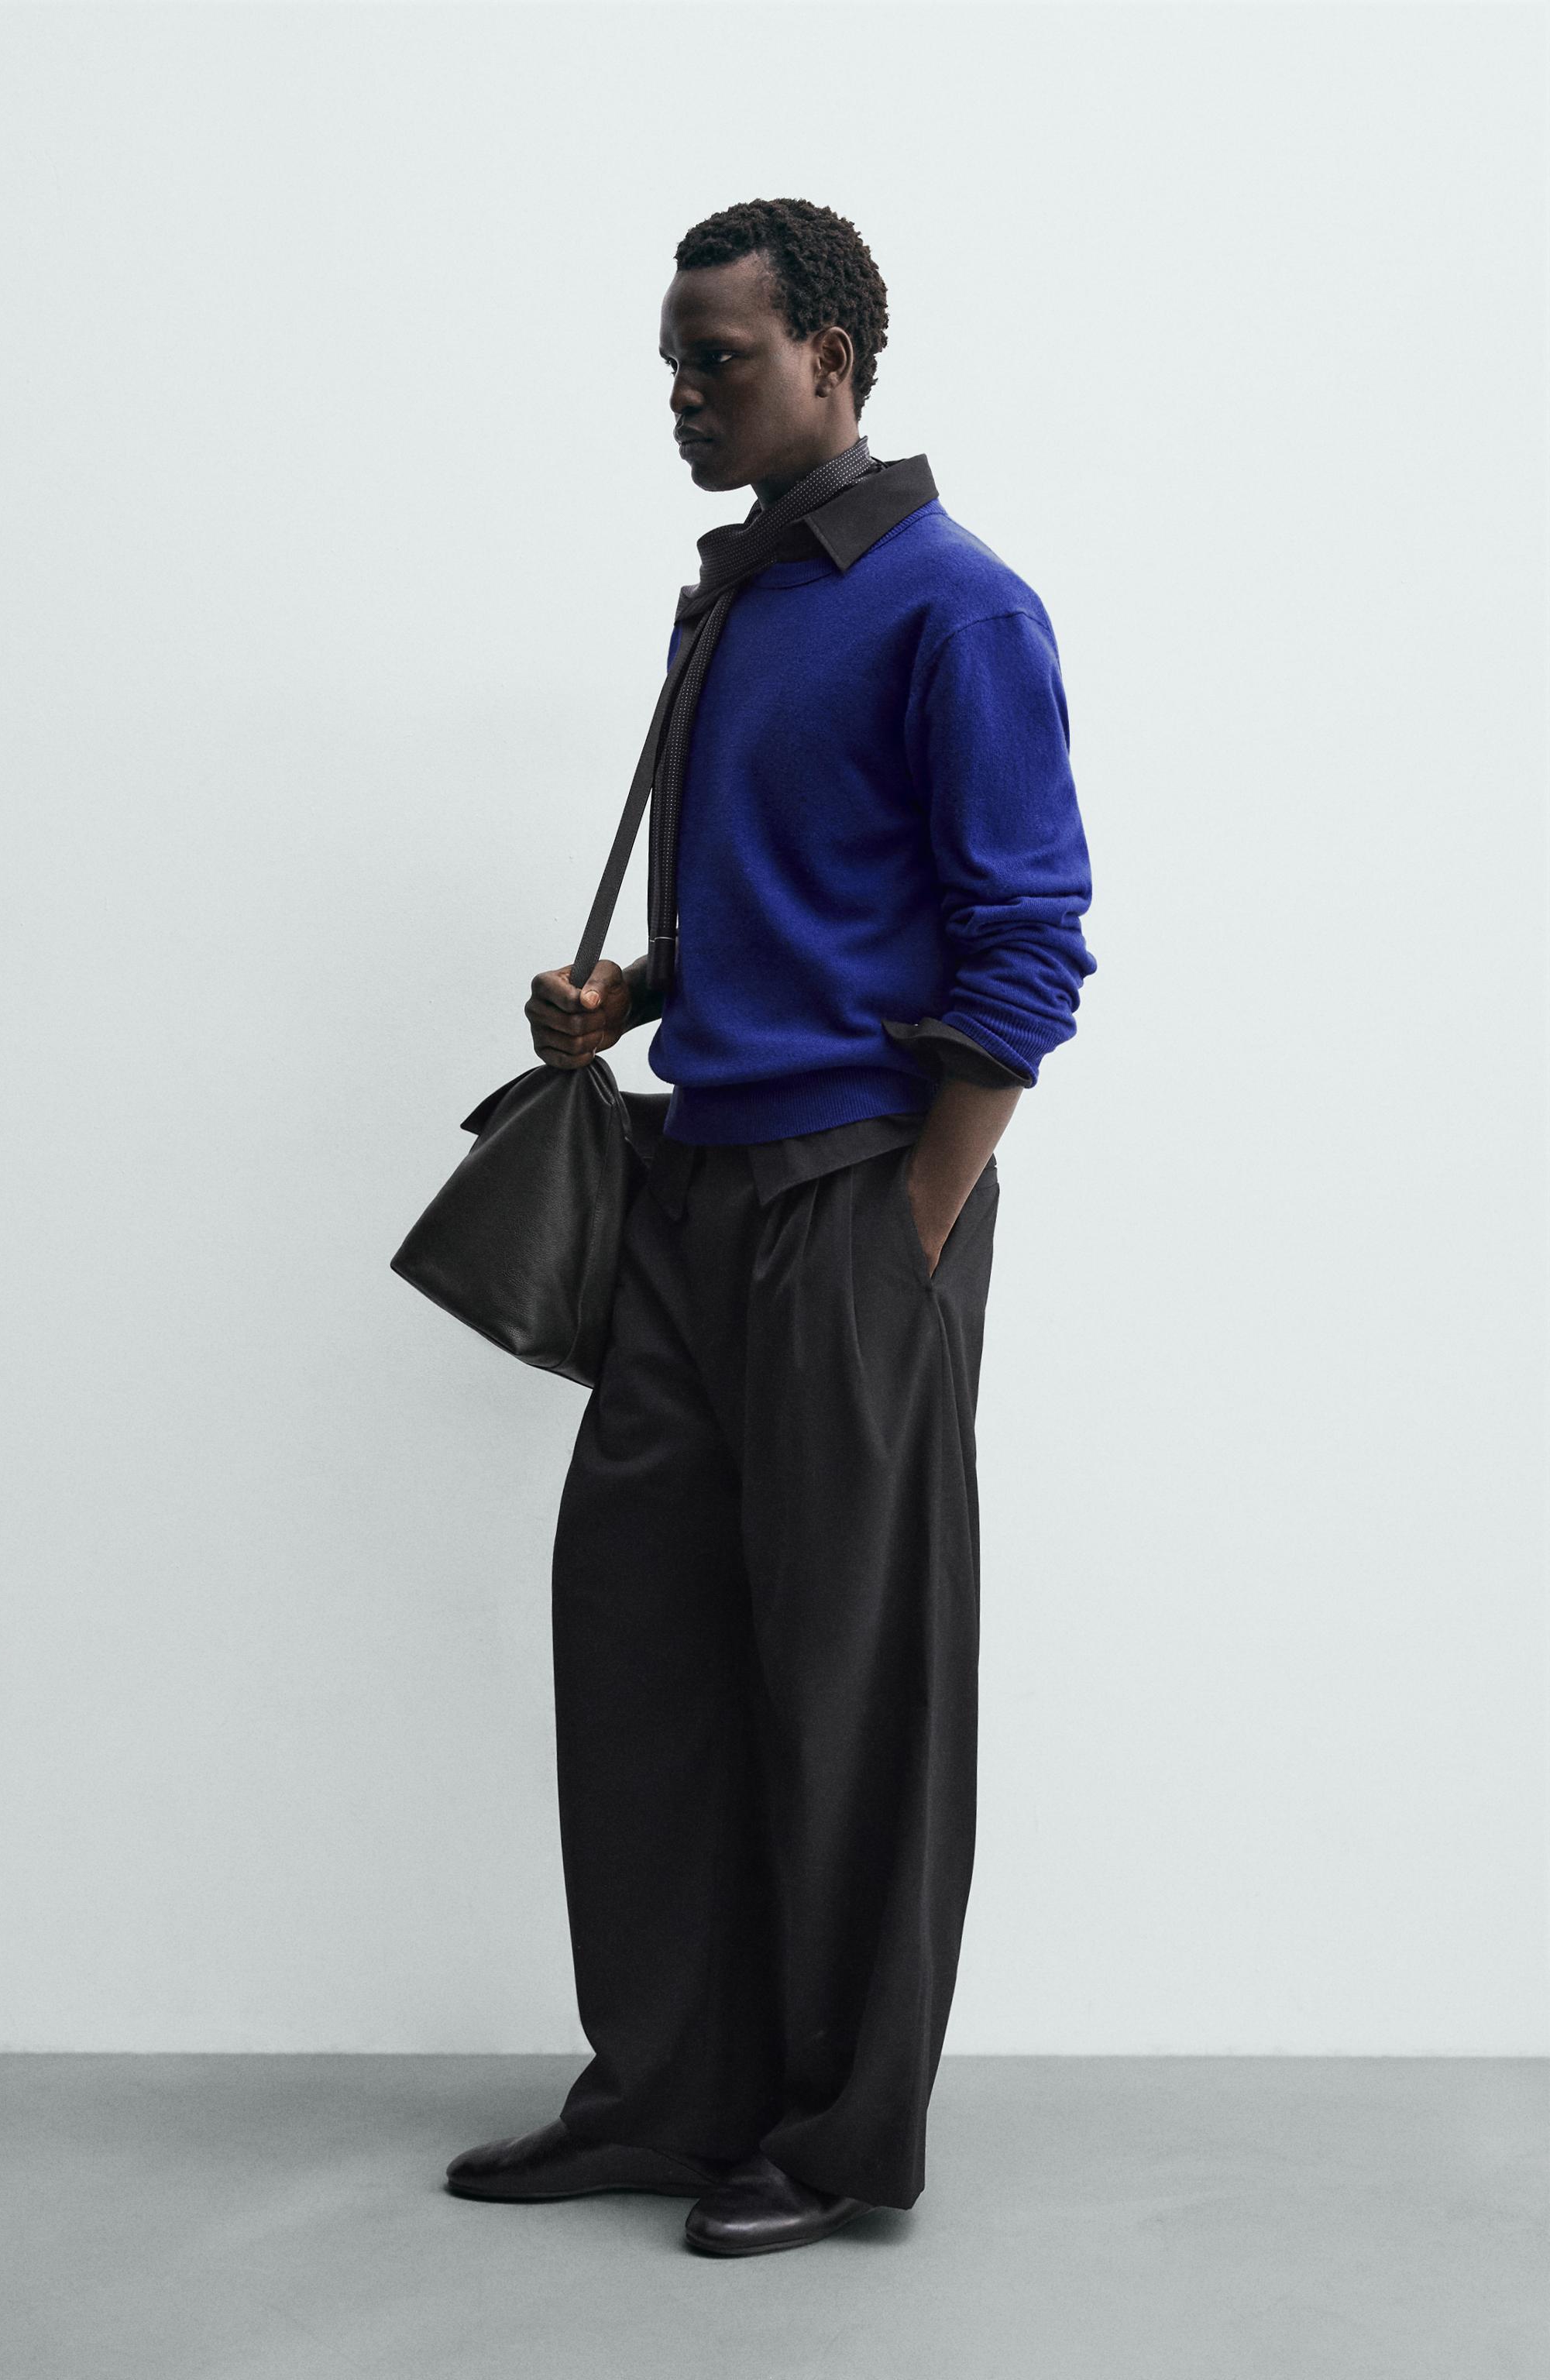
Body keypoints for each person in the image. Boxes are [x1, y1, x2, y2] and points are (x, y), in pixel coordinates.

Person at [445, 197, 1096, 2258]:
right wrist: (634, 993)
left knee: (849, 1689)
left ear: (832, 356)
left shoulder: (958, 610)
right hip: (689, 1191)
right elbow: (789, 901)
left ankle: (829, 2141)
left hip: (848, 1204)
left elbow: (1029, 949)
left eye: (717, 359)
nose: (683, 394)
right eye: (670, 362)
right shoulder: (727, 603)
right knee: (643, 1646)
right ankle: (669, 2093)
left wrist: (915, 1224)